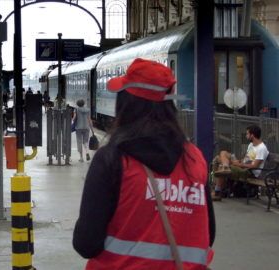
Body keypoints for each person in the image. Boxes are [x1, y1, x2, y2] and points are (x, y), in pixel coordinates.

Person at [73, 58, 215, 269]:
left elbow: (86, 244)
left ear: (125, 104)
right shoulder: (194, 159)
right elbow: (208, 234)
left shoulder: (112, 160)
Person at [212, 125, 269, 201]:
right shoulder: (251, 145)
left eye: (247, 134)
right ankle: (225, 167)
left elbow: (254, 166)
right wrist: (238, 161)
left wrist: (238, 164)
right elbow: (246, 158)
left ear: (252, 135)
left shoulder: (262, 148)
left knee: (219, 163)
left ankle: (217, 192)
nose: (246, 136)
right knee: (223, 153)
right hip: (241, 166)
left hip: (249, 172)